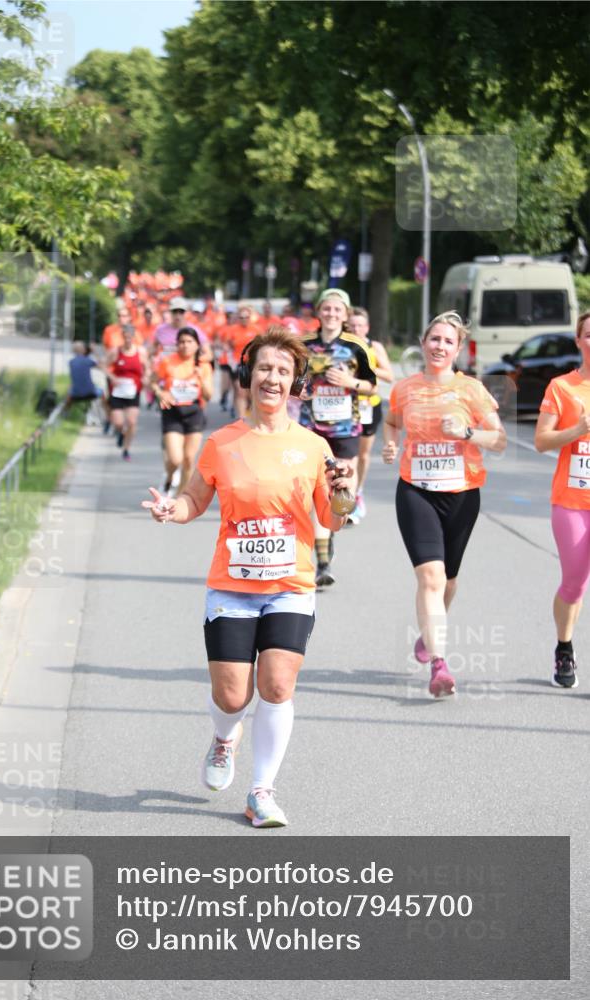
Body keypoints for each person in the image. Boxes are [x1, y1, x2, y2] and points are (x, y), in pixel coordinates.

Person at [142, 327, 351, 827]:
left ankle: (262, 791)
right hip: (232, 586)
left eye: (282, 371)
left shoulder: (313, 447)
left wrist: (344, 491)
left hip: (290, 585)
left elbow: (332, 518)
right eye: (264, 369)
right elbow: (196, 498)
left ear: (295, 382)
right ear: (247, 376)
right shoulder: (222, 442)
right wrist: (175, 509)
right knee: (232, 695)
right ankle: (223, 738)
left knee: (277, 685)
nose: (272, 379)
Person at [382, 311, 506, 697]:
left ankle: (428, 634)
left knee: (448, 580)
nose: (439, 346)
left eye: (447, 341)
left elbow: (498, 440)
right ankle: (439, 665)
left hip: (462, 495)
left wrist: (469, 432)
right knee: (430, 578)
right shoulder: (405, 389)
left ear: (457, 349)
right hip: (416, 491)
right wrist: (389, 443)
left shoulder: (471, 390)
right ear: (423, 343)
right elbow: (392, 422)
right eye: (434, 339)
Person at [299, 288, 377, 586]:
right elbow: (292, 380)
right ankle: (322, 560)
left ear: (345, 315)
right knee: (319, 489)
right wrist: (301, 389)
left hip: (346, 428)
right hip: (312, 428)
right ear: (318, 312)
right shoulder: (304, 344)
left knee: (339, 493)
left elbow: (372, 386)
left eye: (337, 310)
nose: (331, 314)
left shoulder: (356, 346)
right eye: (326, 309)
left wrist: (349, 381)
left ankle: (332, 530)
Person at [534, 310, 590, 689]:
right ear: (579, 341)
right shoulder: (562, 387)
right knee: (574, 583)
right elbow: (541, 442)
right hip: (571, 501)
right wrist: (578, 429)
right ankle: (564, 647)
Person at [152, 327, 214, 496]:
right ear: (177, 344)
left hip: (194, 412)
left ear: (197, 345)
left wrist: (201, 377)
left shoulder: (204, 366)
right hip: (172, 411)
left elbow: (208, 396)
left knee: (188, 460)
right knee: (175, 458)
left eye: (189, 342)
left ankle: (180, 496)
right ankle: (169, 476)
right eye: (181, 342)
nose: (185, 346)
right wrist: (160, 392)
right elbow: (153, 382)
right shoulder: (168, 362)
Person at [348, 307, 394, 522]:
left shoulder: (374, 347)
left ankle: (358, 492)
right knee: (348, 454)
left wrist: (367, 367)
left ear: (367, 327)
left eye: (360, 325)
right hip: (345, 407)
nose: (356, 328)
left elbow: (389, 375)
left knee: (363, 454)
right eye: (353, 325)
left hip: (368, 406)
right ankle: (344, 493)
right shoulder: (341, 346)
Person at [105, 325, 148, 461]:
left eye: (130, 337)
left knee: (132, 421)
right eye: (125, 337)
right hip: (118, 391)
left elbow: (147, 368)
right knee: (118, 422)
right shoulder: (115, 352)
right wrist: (113, 378)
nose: (128, 340)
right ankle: (122, 433)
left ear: (134, 337)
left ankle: (126, 449)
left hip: (133, 391)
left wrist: (146, 378)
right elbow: (104, 366)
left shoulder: (140, 352)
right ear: (122, 337)